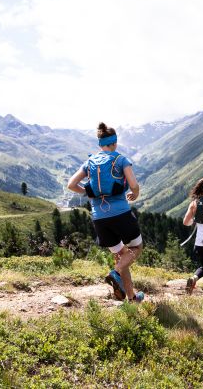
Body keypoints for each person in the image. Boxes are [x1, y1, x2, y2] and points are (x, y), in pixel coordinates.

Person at [67, 122, 144, 303]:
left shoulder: (90, 162)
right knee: (136, 248)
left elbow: (71, 185)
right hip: (121, 215)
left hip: (99, 219)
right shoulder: (121, 160)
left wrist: (88, 192)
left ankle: (131, 297)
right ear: (114, 143)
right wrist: (135, 193)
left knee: (120, 254)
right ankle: (115, 273)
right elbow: (133, 185)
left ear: (100, 144)